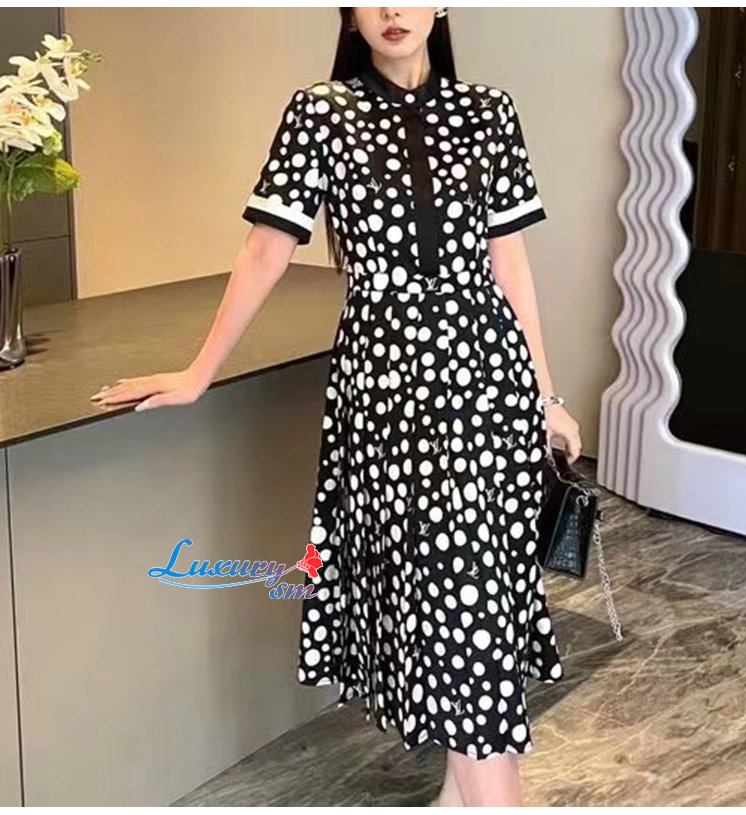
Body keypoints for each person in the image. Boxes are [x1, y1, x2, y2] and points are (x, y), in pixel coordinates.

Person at [90, 6, 582, 807]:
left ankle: (465, 795)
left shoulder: (489, 111)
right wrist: (199, 371)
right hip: (386, 393)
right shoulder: (321, 112)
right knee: (446, 597)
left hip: (487, 385)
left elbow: (511, 265)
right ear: (348, 14)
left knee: (478, 596)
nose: (392, 10)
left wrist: (544, 392)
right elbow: (264, 251)